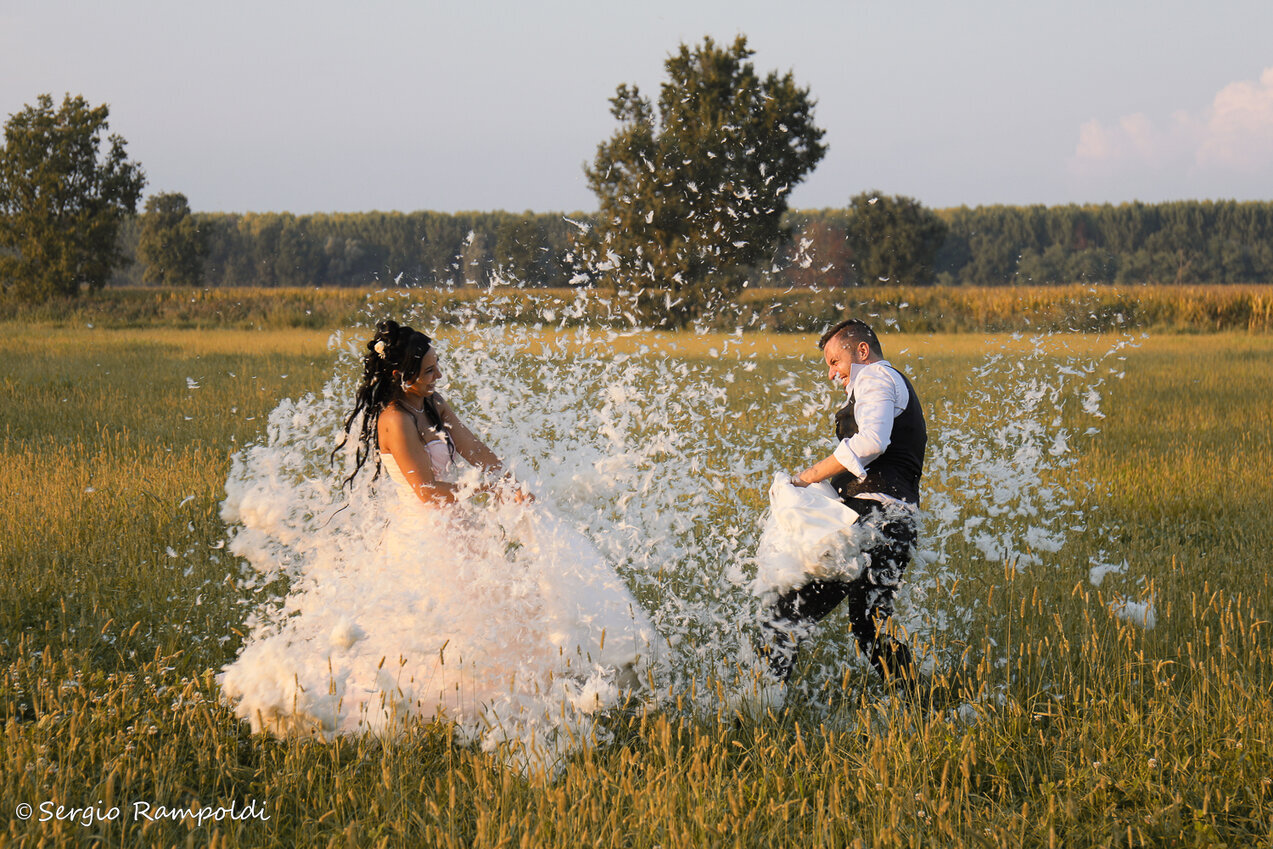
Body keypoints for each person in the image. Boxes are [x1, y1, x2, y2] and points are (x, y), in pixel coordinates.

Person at [761, 318, 927, 685]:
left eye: (835, 362)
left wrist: (807, 477)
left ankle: (760, 704)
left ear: (862, 351)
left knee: (786, 614)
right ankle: (918, 702)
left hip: (873, 518)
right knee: (868, 625)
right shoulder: (883, 383)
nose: (832, 374)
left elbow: (871, 441)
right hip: (894, 522)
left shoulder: (876, 377)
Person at [335, 319, 520, 505]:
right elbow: (427, 492)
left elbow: (475, 450)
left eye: (436, 365)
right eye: (429, 371)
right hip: (421, 530)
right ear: (400, 376)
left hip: (454, 520)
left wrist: (511, 483)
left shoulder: (433, 402)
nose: (438, 375)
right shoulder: (396, 420)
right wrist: (488, 487)